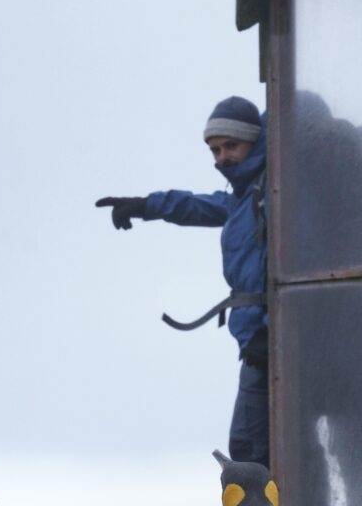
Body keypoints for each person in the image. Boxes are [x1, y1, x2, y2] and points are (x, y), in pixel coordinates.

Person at [96, 95, 270, 466]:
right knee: (254, 448)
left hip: (270, 340)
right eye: (215, 150)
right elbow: (200, 205)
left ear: (254, 141)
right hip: (257, 340)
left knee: (251, 450)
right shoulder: (247, 194)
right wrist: (146, 205)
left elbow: (285, 263)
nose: (221, 158)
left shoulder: (273, 192)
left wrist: (271, 330)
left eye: (231, 146)